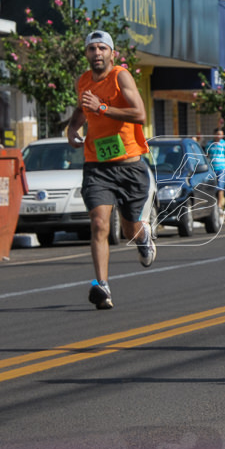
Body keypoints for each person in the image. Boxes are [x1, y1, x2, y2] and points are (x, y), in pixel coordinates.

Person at [67, 30, 157, 310]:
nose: (97, 53)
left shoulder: (121, 76)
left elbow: (140, 114)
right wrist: (72, 126)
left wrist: (103, 108)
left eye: (101, 48)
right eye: (92, 48)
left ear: (111, 52)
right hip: (97, 166)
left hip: (129, 166)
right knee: (98, 223)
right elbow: (83, 107)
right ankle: (102, 286)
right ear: (86, 53)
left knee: (129, 228)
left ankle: (143, 237)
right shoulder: (82, 81)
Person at [205, 127, 225, 210]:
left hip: (222, 168)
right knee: (212, 187)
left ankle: (219, 206)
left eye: (221, 134)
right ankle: (212, 204)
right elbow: (206, 156)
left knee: (220, 187)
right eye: (218, 134)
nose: (219, 136)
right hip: (212, 168)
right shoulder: (209, 144)